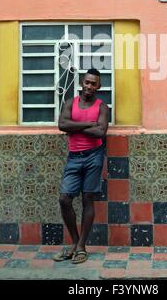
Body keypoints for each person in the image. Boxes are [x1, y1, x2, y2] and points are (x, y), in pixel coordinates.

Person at [54, 68, 109, 264]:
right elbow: (62, 125)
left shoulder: (103, 107)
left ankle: (81, 247)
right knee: (64, 199)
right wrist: (87, 124)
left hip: (94, 156)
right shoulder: (70, 103)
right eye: (87, 82)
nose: (89, 86)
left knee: (88, 199)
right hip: (74, 157)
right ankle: (77, 244)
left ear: (98, 86)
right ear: (82, 83)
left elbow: (100, 132)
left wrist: (75, 126)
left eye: (94, 83)